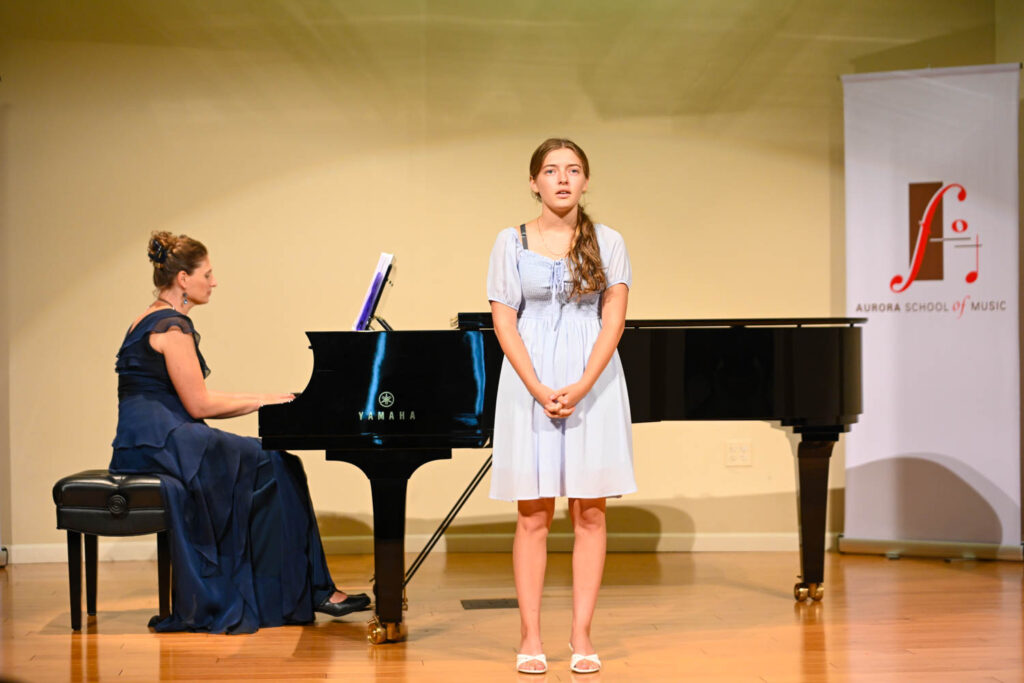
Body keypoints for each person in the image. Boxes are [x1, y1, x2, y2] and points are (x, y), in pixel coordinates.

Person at [110, 231, 370, 634]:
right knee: (278, 463)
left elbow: (189, 400)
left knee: (276, 462)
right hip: (168, 442)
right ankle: (310, 592)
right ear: (183, 278)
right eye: (207, 274)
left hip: (141, 443)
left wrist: (267, 397)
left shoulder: (144, 320)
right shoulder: (173, 327)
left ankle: (307, 589)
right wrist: (266, 400)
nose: (214, 282)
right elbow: (199, 405)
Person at [486, 138, 636, 674]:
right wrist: (535, 385)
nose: (563, 179)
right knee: (533, 512)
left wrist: (582, 384)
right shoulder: (510, 240)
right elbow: (504, 319)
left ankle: (581, 634)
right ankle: (530, 636)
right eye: (551, 171)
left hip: (592, 378)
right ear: (534, 182)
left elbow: (613, 320)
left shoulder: (608, 240)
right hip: (529, 378)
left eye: (573, 170)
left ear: (586, 181)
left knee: (590, 511)